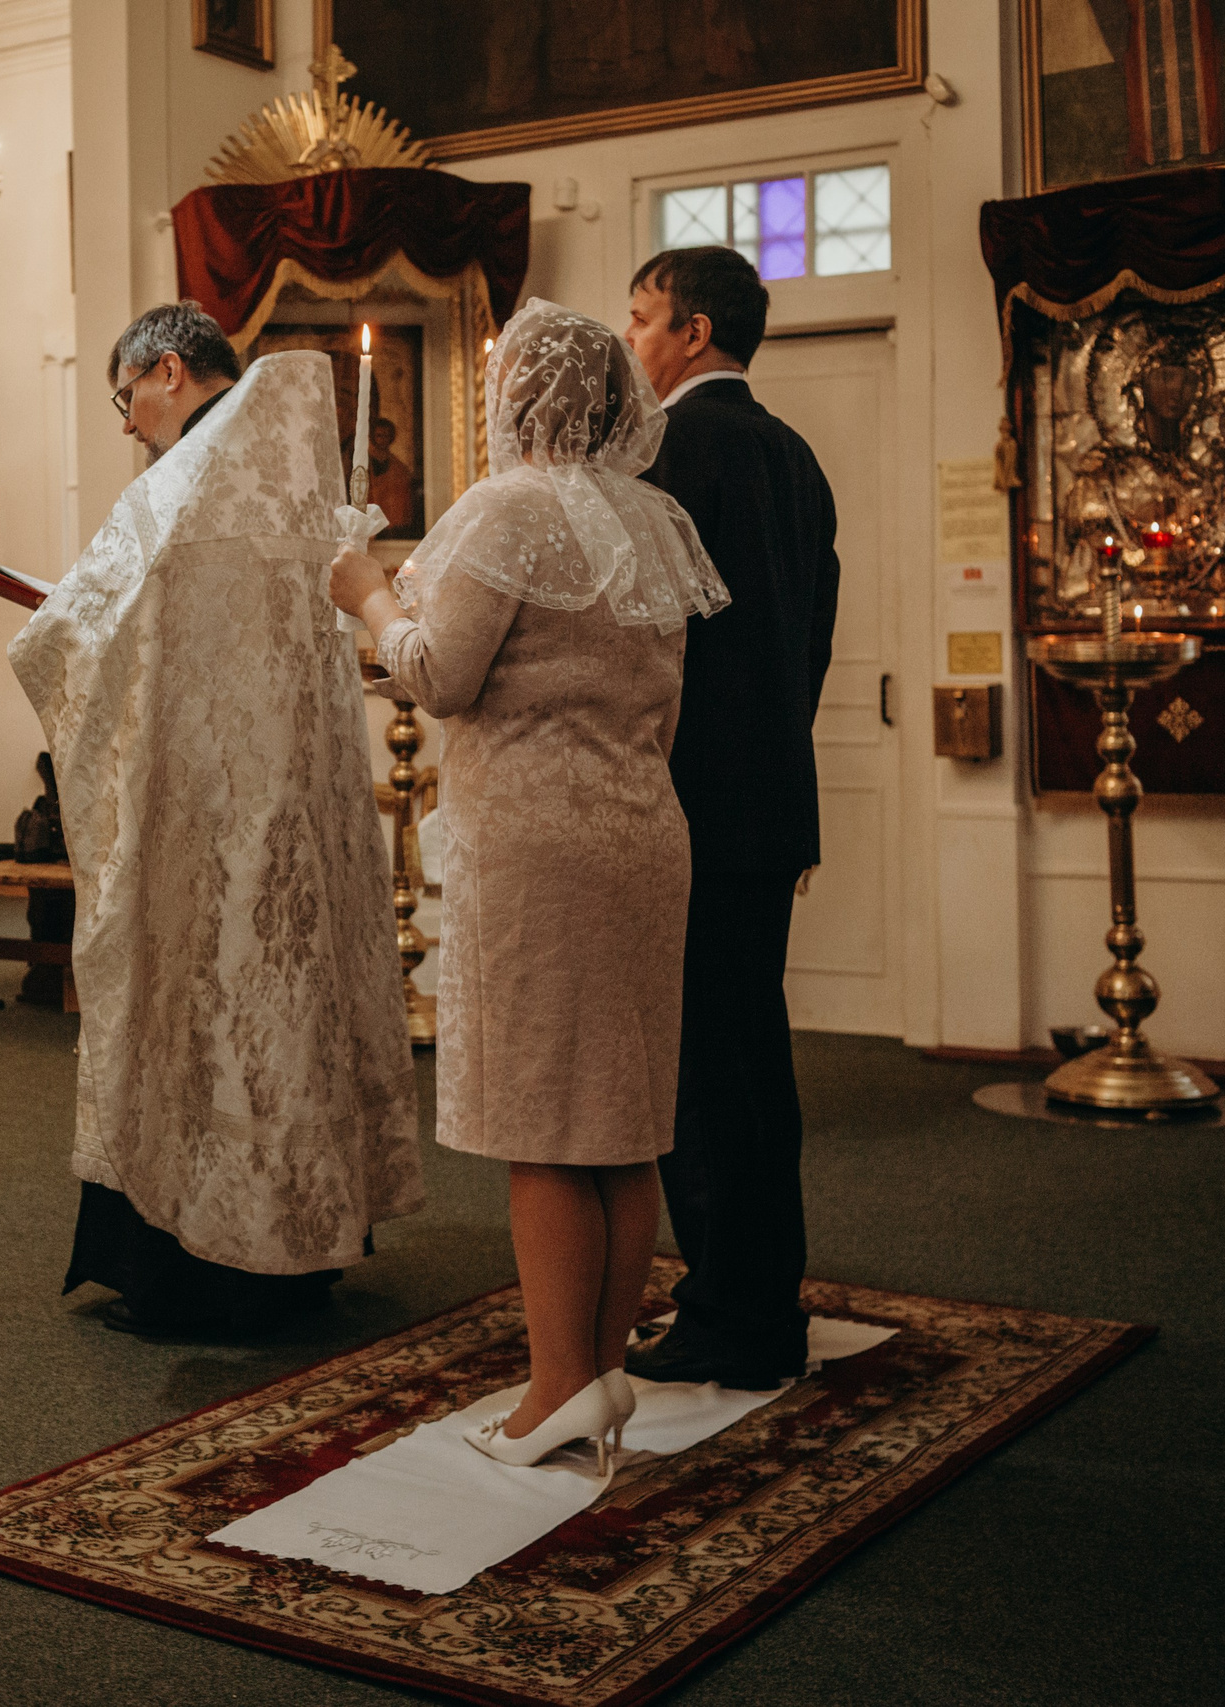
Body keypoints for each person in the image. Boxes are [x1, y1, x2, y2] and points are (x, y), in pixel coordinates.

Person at [327, 299, 728, 1465]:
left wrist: (366, 592)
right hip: (642, 831)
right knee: (622, 1122)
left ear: (523, 399)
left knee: (544, 1123)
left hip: (538, 848)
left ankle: (554, 1390)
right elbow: (658, 698)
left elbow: (442, 675)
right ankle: (597, 1375)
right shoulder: (650, 515)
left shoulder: (507, 508)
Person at [11, 301, 423, 1337]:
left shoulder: (178, 485)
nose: (126, 424)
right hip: (292, 809)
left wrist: (46, 628)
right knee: (285, 1011)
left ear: (167, 369)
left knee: (201, 1013)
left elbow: (81, 637)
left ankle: (197, 1272)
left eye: (126, 397)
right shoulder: (295, 473)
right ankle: (300, 1251)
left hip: (202, 812)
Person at [619, 246, 840, 1390]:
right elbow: (811, 637)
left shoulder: (665, 449)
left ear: (693, 332)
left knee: (702, 1074)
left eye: (641, 318)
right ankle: (758, 1297)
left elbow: (645, 644)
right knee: (751, 1055)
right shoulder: (794, 454)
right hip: (769, 796)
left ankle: (731, 1317)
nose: (631, 340)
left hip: (688, 803)